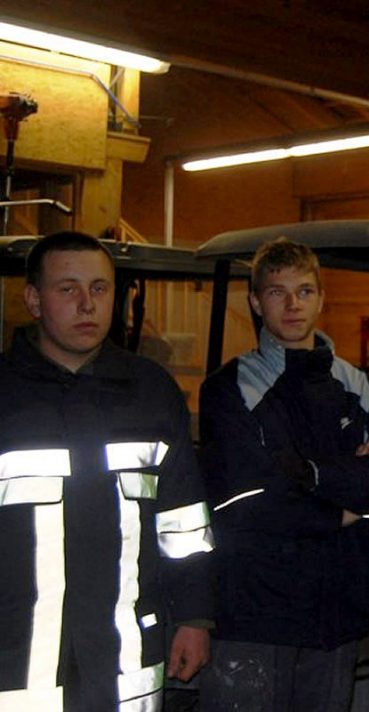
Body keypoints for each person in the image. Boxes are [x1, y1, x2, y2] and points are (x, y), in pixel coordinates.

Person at [197, 237, 369, 712]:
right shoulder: (229, 388)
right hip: (259, 607)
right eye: (277, 293)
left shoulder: (356, 383)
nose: (293, 305)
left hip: (339, 606)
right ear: (255, 302)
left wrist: (310, 477)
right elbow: (243, 498)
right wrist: (342, 506)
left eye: (305, 291)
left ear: (321, 297)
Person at [0, 231, 214, 710]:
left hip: (126, 659)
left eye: (99, 289)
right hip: (17, 659)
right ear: (33, 299)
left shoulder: (151, 392)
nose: (86, 304)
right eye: (67, 289)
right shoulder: (5, 397)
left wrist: (196, 618)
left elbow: (184, 520)